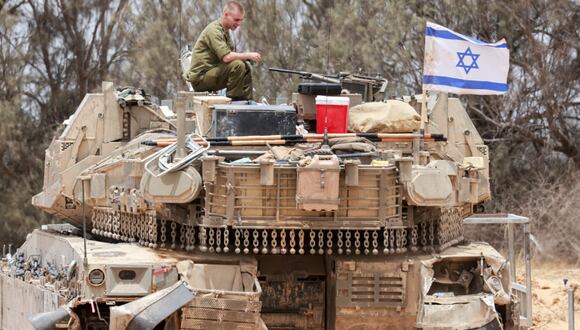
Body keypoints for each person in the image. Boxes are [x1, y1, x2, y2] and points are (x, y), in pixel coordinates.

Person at [184, 1, 261, 100]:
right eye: (236, 20)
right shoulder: (214, 30)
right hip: (201, 79)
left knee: (245, 66)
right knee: (238, 65)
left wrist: (246, 58)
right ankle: (234, 102)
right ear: (226, 15)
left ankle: (246, 102)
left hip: (212, 74)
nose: (239, 24)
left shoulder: (225, 31)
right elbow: (226, 57)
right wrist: (247, 55)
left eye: (241, 20)